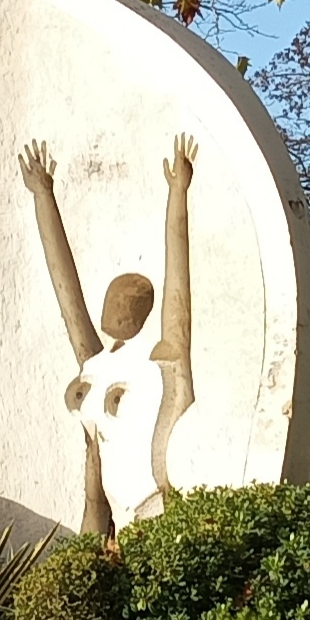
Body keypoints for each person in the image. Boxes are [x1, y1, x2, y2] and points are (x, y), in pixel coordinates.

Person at [20, 135, 196, 529]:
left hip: (154, 513)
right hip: (106, 511)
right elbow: (67, 294)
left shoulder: (161, 360)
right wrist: (43, 196)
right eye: (114, 301)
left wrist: (179, 193)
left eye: (126, 304)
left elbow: (177, 293)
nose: (116, 309)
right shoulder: (96, 365)